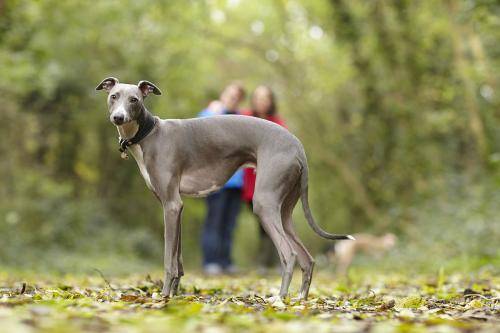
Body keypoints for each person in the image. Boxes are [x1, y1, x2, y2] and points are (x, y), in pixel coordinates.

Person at [199, 83, 246, 275]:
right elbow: (199, 133)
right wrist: (213, 110)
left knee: (229, 224)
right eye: (230, 95)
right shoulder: (210, 113)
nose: (233, 98)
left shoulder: (241, 119)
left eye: (237, 96)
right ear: (223, 94)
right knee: (214, 222)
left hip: (237, 182)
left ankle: (226, 261)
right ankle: (210, 261)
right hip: (215, 180)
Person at [242, 85, 286, 271]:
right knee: (260, 220)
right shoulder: (244, 118)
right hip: (251, 181)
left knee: (273, 218)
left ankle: (275, 261)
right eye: (258, 97)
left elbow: (283, 149)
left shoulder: (277, 123)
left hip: (271, 180)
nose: (261, 101)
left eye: (265, 97)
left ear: (271, 101)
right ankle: (264, 261)